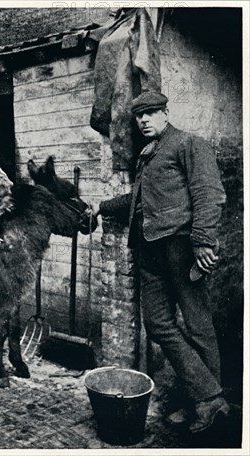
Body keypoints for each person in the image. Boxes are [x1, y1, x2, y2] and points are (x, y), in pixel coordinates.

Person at [93, 92, 228, 433]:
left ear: (166, 113)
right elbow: (137, 200)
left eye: (151, 113)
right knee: (158, 324)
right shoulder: (146, 155)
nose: (144, 120)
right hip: (149, 250)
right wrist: (102, 206)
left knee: (198, 326)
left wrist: (202, 242)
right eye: (139, 116)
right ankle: (208, 397)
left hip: (182, 247)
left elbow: (209, 193)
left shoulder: (188, 144)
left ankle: (205, 403)